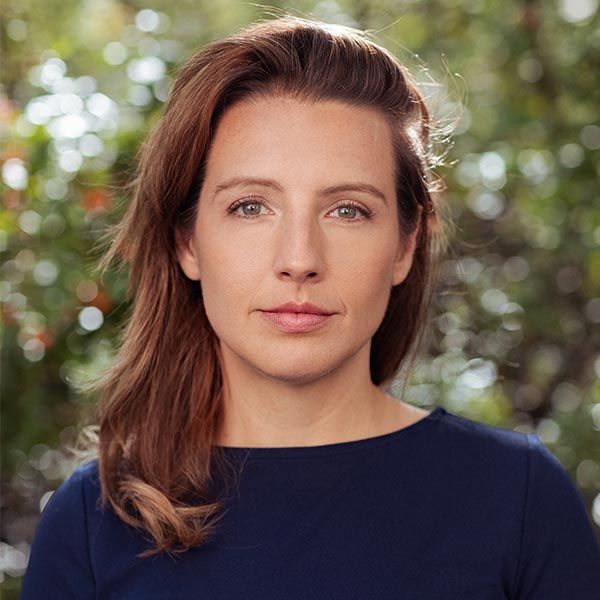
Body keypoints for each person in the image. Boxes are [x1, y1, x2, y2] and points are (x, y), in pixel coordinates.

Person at [21, 15, 600, 599]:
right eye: (251, 207)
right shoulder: (90, 524)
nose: (299, 259)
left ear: (405, 246)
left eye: (348, 210)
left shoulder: (519, 500)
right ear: (187, 242)